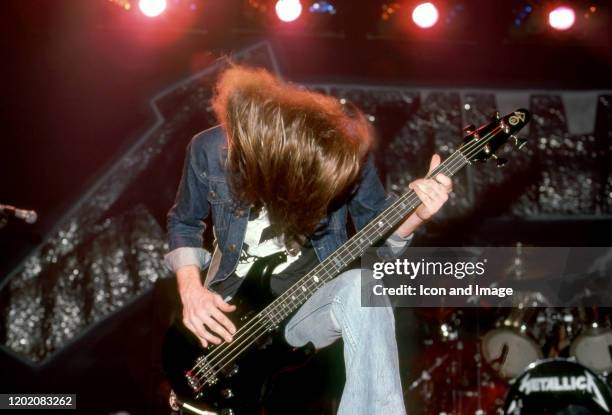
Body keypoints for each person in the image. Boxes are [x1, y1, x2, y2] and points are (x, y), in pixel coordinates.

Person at [164, 65, 452, 415]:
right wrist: (191, 291)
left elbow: (377, 232)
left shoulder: (343, 151)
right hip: (232, 308)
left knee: (365, 290)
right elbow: (184, 220)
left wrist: (416, 217)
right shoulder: (211, 148)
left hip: (307, 300)